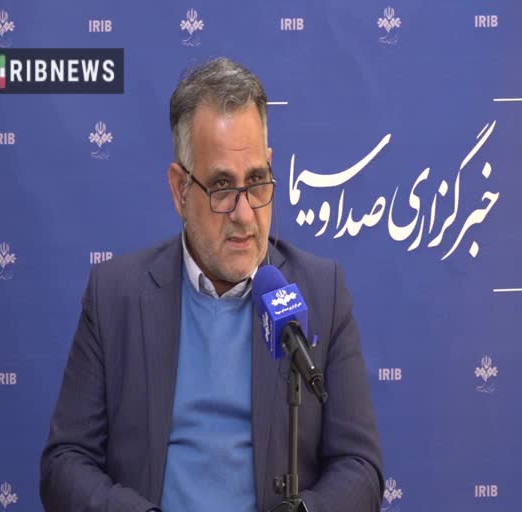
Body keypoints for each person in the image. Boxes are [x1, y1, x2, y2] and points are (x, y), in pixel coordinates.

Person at [40, 57, 383, 512]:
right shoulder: (115, 296)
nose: (244, 214)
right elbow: (65, 463)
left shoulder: (321, 292)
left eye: (257, 181)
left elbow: (360, 467)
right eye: (221, 187)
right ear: (180, 190)